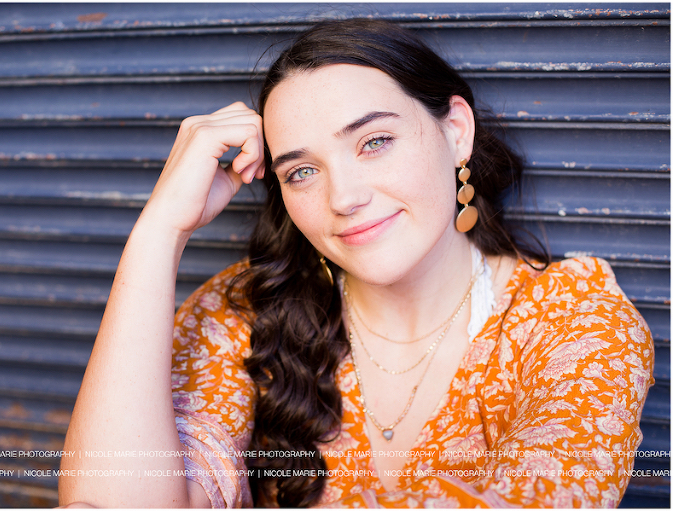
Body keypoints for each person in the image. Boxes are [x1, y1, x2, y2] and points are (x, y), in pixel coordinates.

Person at [58, 19, 655, 508]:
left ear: (455, 132)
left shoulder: (574, 321)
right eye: (302, 171)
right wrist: (160, 230)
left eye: (374, 142)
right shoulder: (242, 312)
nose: (343, 198)